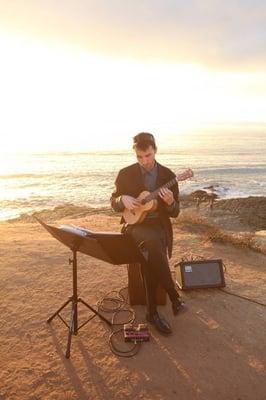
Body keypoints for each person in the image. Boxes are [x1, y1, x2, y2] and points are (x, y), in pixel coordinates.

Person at [110, 132, 183, 335]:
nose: (144, 161)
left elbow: (176, 212)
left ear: (155, 151)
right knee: (151, 244)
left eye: (148, 156)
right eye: (140, 157)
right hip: (134, 225)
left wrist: (170, 203)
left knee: (152, 250)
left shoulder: (168, 176)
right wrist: (122, 200)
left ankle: (152, 313)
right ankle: (174, 297)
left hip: (159, 225)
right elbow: (113, 201)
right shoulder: (125, 174)